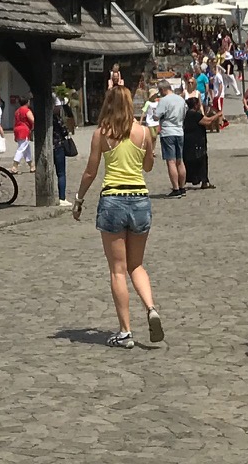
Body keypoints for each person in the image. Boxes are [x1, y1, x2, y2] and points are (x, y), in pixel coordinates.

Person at [69, 82, 164, 349]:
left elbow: (90, 171)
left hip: (113, 200)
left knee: (118, 270)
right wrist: (148, 150)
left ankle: (125, 331)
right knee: (137, 265)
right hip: (140, 200)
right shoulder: (144, 133)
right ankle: (151, 307)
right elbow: (147, 167)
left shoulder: (102, 133)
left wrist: (78, 199)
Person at [147, 80, 186, 197]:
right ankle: (183, 187)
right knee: (180, 160)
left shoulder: (164, 101)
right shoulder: (180, 99)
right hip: (179, 131)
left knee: (171, 161)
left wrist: (156, 115)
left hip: (168, 132)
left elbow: (156, 116)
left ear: (163, 90)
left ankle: (176, 188)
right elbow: (184, 113)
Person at [182, 87, 212, 190]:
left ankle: (191, 180)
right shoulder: (194, 114)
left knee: (189, 160)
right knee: (201, 160)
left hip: (188, 140)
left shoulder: (186, 114)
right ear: (196, 105)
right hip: (197, 141)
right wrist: (218, 115)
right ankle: (204, 181)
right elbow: (207, 121)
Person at [12, 96, 35, 173]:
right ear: (27, 102)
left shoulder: (17, 111)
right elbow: (32, 120)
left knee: (26, 149)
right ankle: (14, 166)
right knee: (21, 148)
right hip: (24, 130)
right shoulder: (26, 110)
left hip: (17, 129)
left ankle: (31, 165)